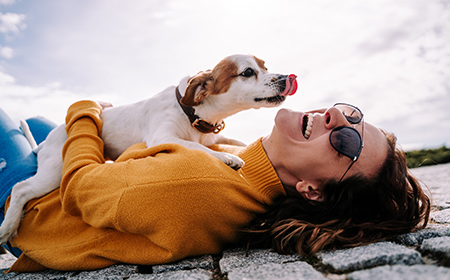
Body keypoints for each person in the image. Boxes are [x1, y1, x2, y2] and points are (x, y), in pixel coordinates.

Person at [0, 100, 430, 272]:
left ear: (311, 191)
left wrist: (86, 112)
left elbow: (81, 189)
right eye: (350, 115)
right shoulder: (245, 162)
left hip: (35, 218)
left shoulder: (197, 183)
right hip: (53, 189)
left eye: (345, 143)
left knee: (9, 121)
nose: (336, 119)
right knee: (39, 125)